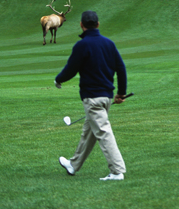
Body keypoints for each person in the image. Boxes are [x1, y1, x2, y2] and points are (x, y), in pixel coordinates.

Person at [54, 10, 129, 181]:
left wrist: (58, 80)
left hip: (92, 99)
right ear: (98, 24)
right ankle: (73, 165)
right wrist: (121, 93)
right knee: (89, 132)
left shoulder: (82, 45)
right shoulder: (109, 44)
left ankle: (117, 171)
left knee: (103, 132)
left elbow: (70, 70)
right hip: (106, 98)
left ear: (81, 25)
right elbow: (121, 68)